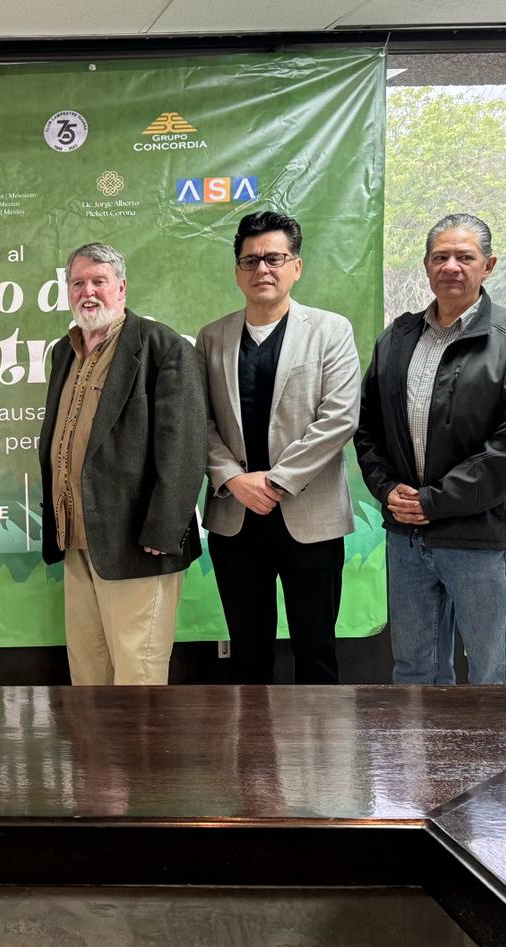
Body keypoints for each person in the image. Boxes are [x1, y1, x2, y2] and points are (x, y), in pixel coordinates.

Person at [355, 213, 506, 685]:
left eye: (464, 257)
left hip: (479, 536)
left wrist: (436, 501)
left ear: (488, 265)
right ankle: (422, 762)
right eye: (440, 257)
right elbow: (367, 429)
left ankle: (495, 762)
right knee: (414, 671)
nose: (451, 266)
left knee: (491, 673)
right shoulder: (397, 338)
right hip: (406, 537)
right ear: (426, 266)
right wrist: (388, 492)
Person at [196, 211, 360, 683]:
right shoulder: (211, 338)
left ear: (296, 267)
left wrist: (276, 481)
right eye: (250, 261)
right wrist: (231, 477)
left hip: (311, 516)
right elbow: (199, 421)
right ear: (237, 271)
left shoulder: (331, 330)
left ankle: (320, 758)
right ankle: (254, 758)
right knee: (248, 658)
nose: (261, 269)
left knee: (316, 654)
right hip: (236, 520)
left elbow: (339, 418)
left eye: (274, 258)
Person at [37, 242, 206, 685]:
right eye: (78, 283)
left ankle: (140, 760)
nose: (87, 292)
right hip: (77, 540)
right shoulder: (64, 351)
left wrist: (164, 529)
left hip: (138, 544)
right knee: (88, 677)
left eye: (99, 281)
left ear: (122, 288)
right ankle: (97, 760)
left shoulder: (161, 346)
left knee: (138, 679)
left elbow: (185, 444)